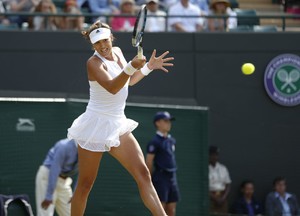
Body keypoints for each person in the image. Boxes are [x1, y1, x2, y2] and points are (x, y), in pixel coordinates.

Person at [67, 20, 174, 216]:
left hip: (118, 123)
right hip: (94, 125)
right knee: (85, 184)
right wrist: (130, 67)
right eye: (98, 43)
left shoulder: (117, 52)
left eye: (105, 40)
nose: (103, 46)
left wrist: (148, 67)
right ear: (93, 45)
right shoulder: (93, 63)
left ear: (111, 38)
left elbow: (129, 81)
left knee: (143, 174)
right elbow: (113, 87)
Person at [145, 111, 180, 216]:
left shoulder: (171, 140)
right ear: (157, 123)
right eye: (165, 121)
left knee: (171, 210)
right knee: (159, 210)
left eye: (169, 121)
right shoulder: (154, 142)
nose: (169, 123)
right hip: (160, 178)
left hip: (172, 178)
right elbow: (149, 161)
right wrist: (148, 181)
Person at [35, 138, 78, 216]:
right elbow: (54, 170)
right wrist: (49, 195)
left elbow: (84, 174)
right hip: (47, 177)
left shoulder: (88, 149)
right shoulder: (63, 146)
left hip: (64, 181)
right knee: (45, 214)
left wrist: (76, 194)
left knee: (72, 213)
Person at [209, 145, 231, 214]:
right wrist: (214, 198)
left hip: (222, 197)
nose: (214, 157)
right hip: (210, 198)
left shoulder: (223, 168)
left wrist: (223, 198)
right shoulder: (205, 169)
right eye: (212, 155)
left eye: (216, 155)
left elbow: (228, 184)